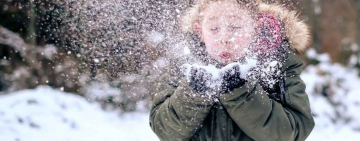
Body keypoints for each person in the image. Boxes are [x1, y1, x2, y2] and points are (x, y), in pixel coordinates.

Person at [149, 0, 315, 140]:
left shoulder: (275, 65)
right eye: (214, 29)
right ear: (200, 32)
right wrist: (194, 93)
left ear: (255, 29)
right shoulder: (185, 66)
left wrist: (241, 93)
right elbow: (165, 130)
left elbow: (292, 132)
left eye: (235, 27)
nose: (224, 39)